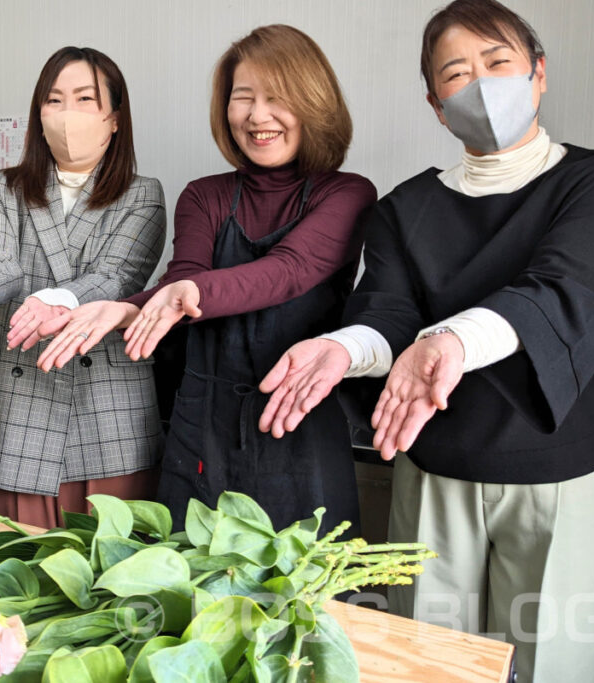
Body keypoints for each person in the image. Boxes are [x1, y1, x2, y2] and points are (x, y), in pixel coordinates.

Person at [258, 2, 594, 681]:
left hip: (568, 470)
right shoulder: (404, 208)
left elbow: (564, 288)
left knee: (558, 658)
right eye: (456, 75)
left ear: (539, 72)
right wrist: (344, 348)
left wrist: (450, 343)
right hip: (437, 469)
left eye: (498, 64)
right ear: (437, 105)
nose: (480, 87)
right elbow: (386, 314)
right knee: (426, 662)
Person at [35, 25, 376, 533]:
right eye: (243, 98)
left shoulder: (348, 194)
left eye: (277, 97)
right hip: (202, 424)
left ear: (314, 102)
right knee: (185, 595)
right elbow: (185, 278)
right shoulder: (204, 195)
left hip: (297, 421)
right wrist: (130, 308)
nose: (258, 116)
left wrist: (181, 295)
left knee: (303, 599)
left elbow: (287, 271)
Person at [0, 47, 166, 528]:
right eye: (54, 101)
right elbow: (0, 259)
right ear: (39, 114)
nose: (67, 115)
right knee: (14, 568)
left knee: (110, 573)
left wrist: (57, 298)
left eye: (84, 99)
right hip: (19, 401)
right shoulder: (4, 187)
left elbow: (119, 276)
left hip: (107, 406)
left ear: (114, 118)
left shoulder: (143, 193)